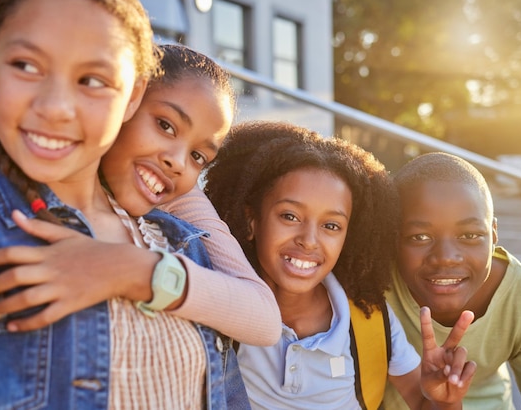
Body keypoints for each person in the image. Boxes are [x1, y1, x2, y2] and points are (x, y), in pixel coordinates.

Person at [0, 0, 254, 408]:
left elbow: (261, 319)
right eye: (26, 66)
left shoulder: (184, 242)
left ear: (131, 96)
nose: (56, 108)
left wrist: (133, 270)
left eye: (93, 80)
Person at [0, 43, 280, 346]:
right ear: (123, 106)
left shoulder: (178, 196)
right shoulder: (1, 148)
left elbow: (263, 319)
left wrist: (133, 270)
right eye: (166, 125)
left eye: (198, 156)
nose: (177, 161)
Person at [203, 121, 476, 410]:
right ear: (251, 221)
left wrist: (445, 400)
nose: (309, 241)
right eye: (290, 216)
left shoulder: (369, 321)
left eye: (331, 225)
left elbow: (424, 405)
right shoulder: (223, 305)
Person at [382, 152, 521, 410]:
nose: (446, 258)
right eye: (420, 237)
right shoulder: (372, 286)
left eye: (470, 234)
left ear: (494, 234)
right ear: (394, 239)